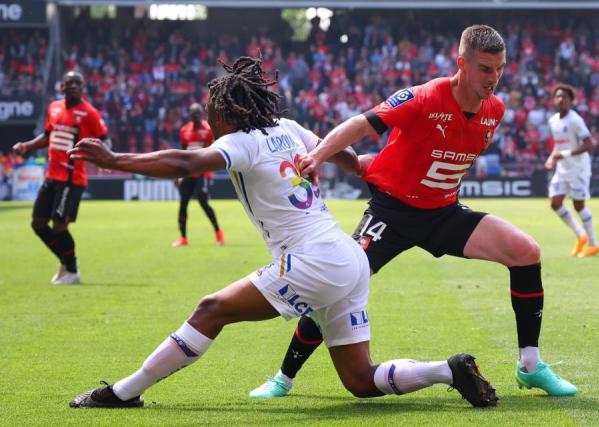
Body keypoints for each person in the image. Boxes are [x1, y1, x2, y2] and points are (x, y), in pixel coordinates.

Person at [66, 56, 497, 409]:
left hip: (314, 260)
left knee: (210, 310)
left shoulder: (242, 142)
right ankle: (449, 369)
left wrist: (114, 159)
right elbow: (340, 152)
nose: (211, 119)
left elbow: (186, 164)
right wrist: (361, 166)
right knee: (361, 381)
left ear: (226, 111)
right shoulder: (289, 130)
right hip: (348, 258)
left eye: (213, 110)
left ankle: (124, 392)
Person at [250, 25, 576, 400]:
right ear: (461, 64)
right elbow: (361, 124)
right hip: (393, 213)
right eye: (485, 69)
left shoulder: (495, 110)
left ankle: (530, 366)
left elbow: (443, 154)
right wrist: (317, 155)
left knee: (525, 251)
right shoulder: (423, 97)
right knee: (335, 284)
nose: (494, 78)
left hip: (443, 214)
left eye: (500, 68)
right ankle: (283, 378)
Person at [11, 71, 109, 285]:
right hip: (51, 176)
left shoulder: (90, 113)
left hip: (72, 179)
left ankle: (72, 270)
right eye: (69, 82)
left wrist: (107, 160)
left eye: (78, 83)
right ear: (62, 87)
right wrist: (27, 146)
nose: (73, 86)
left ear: (83, 88)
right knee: (37, 223)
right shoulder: (53, 108)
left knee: (59, 226)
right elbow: (48, 136)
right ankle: (65, 261)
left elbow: (104, 139)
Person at [544, 85, 599, 258]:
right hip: (563, 169)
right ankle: (580, 235)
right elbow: (559, 145)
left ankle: (593, 244)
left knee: (578, 205)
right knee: (555, 203)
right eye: (558, 97)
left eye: (565, 97)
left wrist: (565, 154)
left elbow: (589, 145)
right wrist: (551, 157)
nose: (561, 99)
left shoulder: (575, 120)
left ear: (570, 101)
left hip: (578, 169)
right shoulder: (553, 121)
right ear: (554, 100)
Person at [173, 103, 224, 247]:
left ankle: (218, 232)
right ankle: (183, 238)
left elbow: (211, 152)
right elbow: (183, 154)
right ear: (190, 115)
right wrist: (179, 175)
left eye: (198, 114)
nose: (196, 117)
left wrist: (207, 172)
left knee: (204, 204)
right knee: (183, 204)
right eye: (193, 114)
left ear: (202, 115)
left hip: (201, 173)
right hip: (188, 174)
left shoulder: (208, 130)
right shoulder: (184, 131)